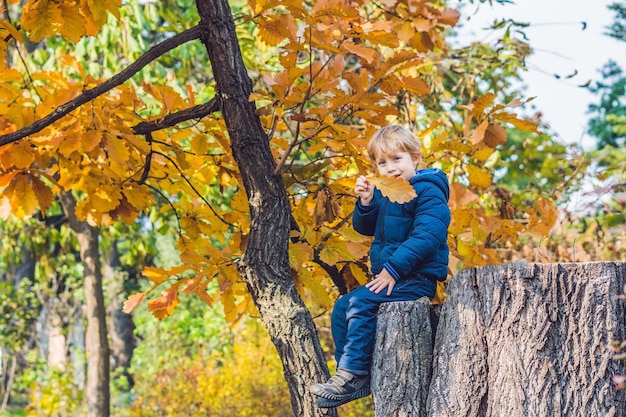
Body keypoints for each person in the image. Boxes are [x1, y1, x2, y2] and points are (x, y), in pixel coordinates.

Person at [310, 124, 451, 408]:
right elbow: (364, 228)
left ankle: (353, 373)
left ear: (415, 157)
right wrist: (365, 202)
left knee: (361, 304)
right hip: (393, 276)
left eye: (397, 159)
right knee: (343, 306)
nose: (390, 168)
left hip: (413, 278)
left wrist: (393, 270)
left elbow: (428, 235)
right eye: (382, 163)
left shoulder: (428, 191)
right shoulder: (387, 193)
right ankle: (349, 374)